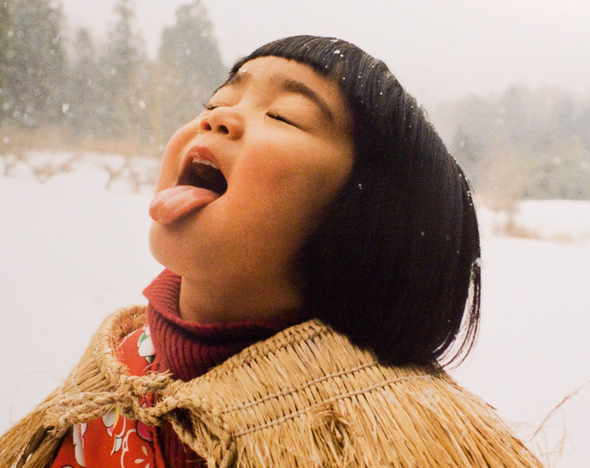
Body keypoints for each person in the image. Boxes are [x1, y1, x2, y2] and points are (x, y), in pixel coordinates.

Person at [0, 36, 542, 467]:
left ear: (367, 219)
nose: (216, 118)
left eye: (282, 116)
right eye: (216, 101)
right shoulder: (115, 371)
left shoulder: (391, 441)